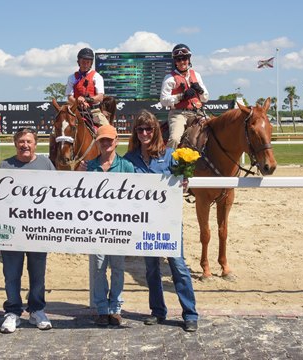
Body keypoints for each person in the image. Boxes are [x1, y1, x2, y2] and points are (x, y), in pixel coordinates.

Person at [124, 109, 199, 332]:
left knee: (178, 266)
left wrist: (185, 181)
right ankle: (157, 311)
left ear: (156, 130)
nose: (145, 133)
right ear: (135, 132)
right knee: (151, 269)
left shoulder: (169, 156)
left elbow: (183, 180)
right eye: (140, 129)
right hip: (145, 223)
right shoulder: (129, 159)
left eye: (149, 129)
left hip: (169, 223)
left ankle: (190, 313)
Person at [0, 127, 56, 334]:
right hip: (12, 231)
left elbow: (58, 193)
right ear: (15, 144)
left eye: (29, 141)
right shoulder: (5, 165)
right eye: (21, 141)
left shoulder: (46, 164)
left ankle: (37, 309)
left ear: (35, 144)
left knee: (37, 274)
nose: (25, 145)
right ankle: (13, 311)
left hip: (38, 231)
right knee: (12, 274)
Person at [86, 124, 134, 326]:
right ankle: (101, 307)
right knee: (98, 267)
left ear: (116, 142)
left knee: (117, 267)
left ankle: (115, 307)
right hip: (95, 225)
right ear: (97, 142)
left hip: (119, 226)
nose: (106, 143)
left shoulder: (126, 167)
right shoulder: (89, 167)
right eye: (102, 140)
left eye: (109, 140)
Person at [160, 44, 209, 149]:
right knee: (174, 138)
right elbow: (163, 100)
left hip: (198, 113)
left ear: (189, 59)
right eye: (178, 59)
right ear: (175, 62)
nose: (182, 62)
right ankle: (169, 163)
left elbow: (205, 98)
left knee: (213, 132)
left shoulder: (197, 75)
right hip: (179, 114)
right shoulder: (169, 78)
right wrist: (181, 96)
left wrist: (200, 90)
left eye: (185, 58)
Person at [65, 47, 109, 127]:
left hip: (93, 112)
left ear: (91, 63)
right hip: (75, 111)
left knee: (107, 129)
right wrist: (77, 102)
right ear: (78, 62)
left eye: (88, 62)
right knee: (57, 129)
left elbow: (100, 97)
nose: (85, 64)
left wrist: (86, 99)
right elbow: (69, 96)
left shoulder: (97, 76)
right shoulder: (72, 77)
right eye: (83, 62)